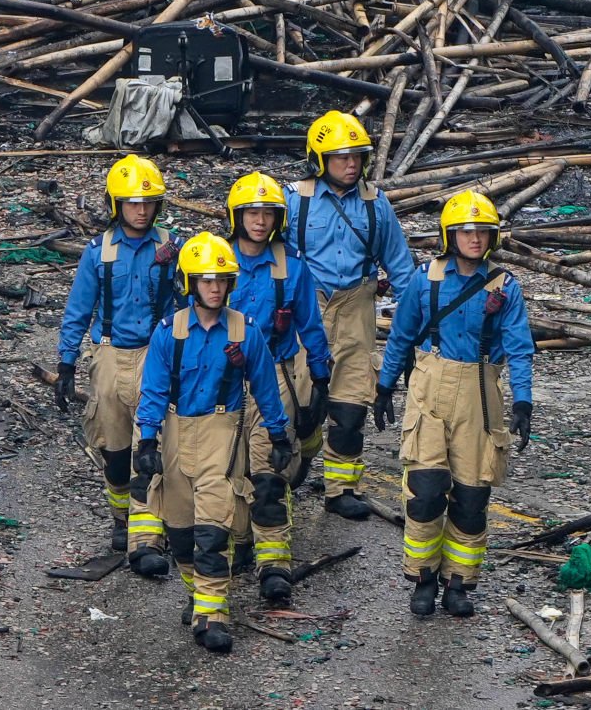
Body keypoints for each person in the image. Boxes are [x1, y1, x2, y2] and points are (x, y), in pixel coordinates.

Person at [377, 188, 536, 620]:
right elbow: (401, 336)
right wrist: (384, 385)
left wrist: (523, 402)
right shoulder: (424, 279)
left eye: (482, 232)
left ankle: (459, 583)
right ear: (449, 234)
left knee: (471, 496)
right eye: (466, 231)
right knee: (425, 493)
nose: (474, 239)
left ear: (493, 238)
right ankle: (424, 576)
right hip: (429, 389)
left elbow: (520, 348)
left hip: (481, 394)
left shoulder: (505, 287)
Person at [134, 232, 296, 652]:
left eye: (222, 280)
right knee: (180, 532)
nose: (215, 288)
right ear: (190, 283)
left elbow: (264, 386)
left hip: (222, 434)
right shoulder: (169, 332)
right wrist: (147, 440)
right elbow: (152, 390)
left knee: (213, 529)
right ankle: (198, 591)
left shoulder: (246, 331)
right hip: (174, 431)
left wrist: (277, 433)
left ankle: (212, 615)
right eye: (207, 280)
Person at [53, 155, 179, 574]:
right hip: (109, 353)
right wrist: (66, 363)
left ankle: (147, 539)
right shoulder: (99, 252)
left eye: (147, 202)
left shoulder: (172, 246)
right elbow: (78, 308)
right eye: (131, 202)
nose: (140, 210)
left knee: (152, 444)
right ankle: (121, 517)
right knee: (114, 448)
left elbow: (192, 304)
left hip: (156, 353)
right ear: (116, 204)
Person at [286, 107, 412, 519]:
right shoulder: (293, 201)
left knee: (351, 402)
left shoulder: (377, 206)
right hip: (309, 305)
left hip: (358, 304)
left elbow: (402, 267)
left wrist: (418, 325)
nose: (351, 163)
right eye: (341, 156)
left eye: (357, 155)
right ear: (319, 160)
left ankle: (341, 488)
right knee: (302, 399)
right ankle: (299, 455)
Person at [221, 171, 330, 607]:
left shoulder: (292, 267)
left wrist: (320, 377)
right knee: (229, 467)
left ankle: (275, 562)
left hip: (275, 375)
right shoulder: (214, 263)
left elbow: (311, 324)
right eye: (252, 212)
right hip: (223, 381)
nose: (260, 221)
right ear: (237, 216)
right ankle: (238, 541)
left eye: (268, 213)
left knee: (268, 470)